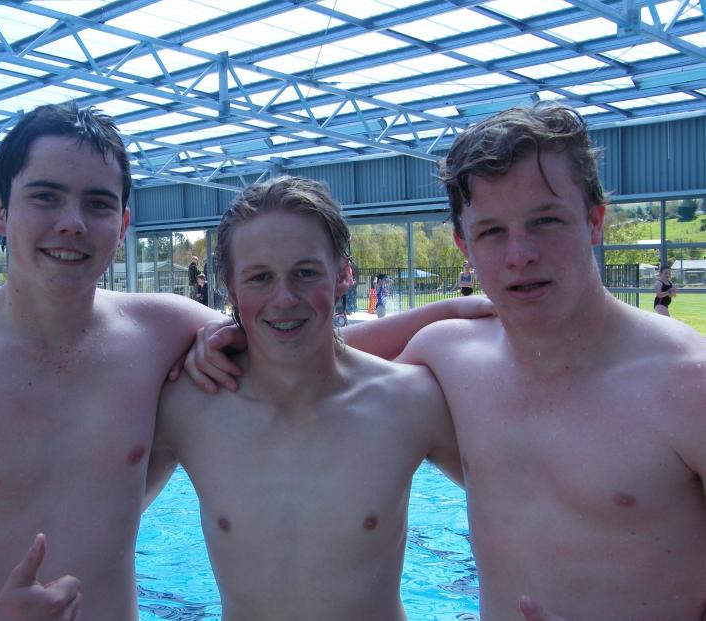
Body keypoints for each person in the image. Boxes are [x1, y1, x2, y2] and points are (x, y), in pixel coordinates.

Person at [0, 102, 487, 621]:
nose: (72, 222)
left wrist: (459, 313)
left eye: (96, 203)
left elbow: (305, 348)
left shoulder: (161, 330)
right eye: (45, 197)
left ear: (122, 225)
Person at [190, 103, 706, 620]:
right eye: (492, 231)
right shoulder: (451, 362)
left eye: (545, 221)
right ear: (465, 244)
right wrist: (240, 333)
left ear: (595, 220)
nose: (520, 253)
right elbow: (324, 370)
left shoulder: (687, 384)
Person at [146, 176, 463, 619]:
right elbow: (89, 526)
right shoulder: (189, 408)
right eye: (260, 278)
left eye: (305, 272)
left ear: (343, 274)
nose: (285, 298)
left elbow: (531, 511)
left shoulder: (410, 402)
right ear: (231, 290)